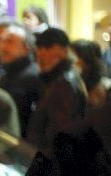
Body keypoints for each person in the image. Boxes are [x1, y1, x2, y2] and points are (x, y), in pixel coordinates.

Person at [26, 28, 87, 156]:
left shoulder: (63, 85)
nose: (41, 54)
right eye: (39, 48)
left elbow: (59, 136)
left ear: (64, 51)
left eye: (48, 48)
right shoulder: (59, 80)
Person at [0, 24, 43, 137]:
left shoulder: (34, 76)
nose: (4, 47)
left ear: (25, 49)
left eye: (10, 42)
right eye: (3, 42)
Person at [72, 39, 110, 109]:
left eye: (74, 58)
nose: (71, 62)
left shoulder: (97, 90)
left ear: (87, 62)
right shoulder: (76, 82)